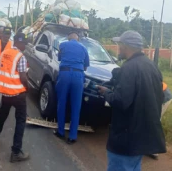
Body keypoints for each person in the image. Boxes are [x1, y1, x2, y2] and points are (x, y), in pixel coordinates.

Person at [97, 30, 166, 171]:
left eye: (119, 44)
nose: (118, 48)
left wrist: (107, 93)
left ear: (125, 46)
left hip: (126, 137)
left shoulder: (128, 68)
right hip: (142, 136)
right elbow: (160, 96)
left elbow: (121, 101)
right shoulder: (152, 66)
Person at [0, 31, 30, 163]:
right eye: (24, 43)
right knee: (20, 121)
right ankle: (16, 152)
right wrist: (27, 87)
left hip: (6, 93)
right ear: (19, 42)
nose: (25, 46)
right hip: (18, 94)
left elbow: (2, 71)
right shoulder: (21, 57)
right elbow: (23, 77)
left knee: (2, 114)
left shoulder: (4, 53)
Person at [54, 31, 89, 144]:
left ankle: (61, 132)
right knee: (76, 106)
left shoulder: (63, 45)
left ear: (69, 37)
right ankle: (72, 136)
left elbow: (59, 58)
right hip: (78, 75)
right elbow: (85, 67)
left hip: (65, 74)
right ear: (78, 38)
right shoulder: (84, 48)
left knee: (62, 103)